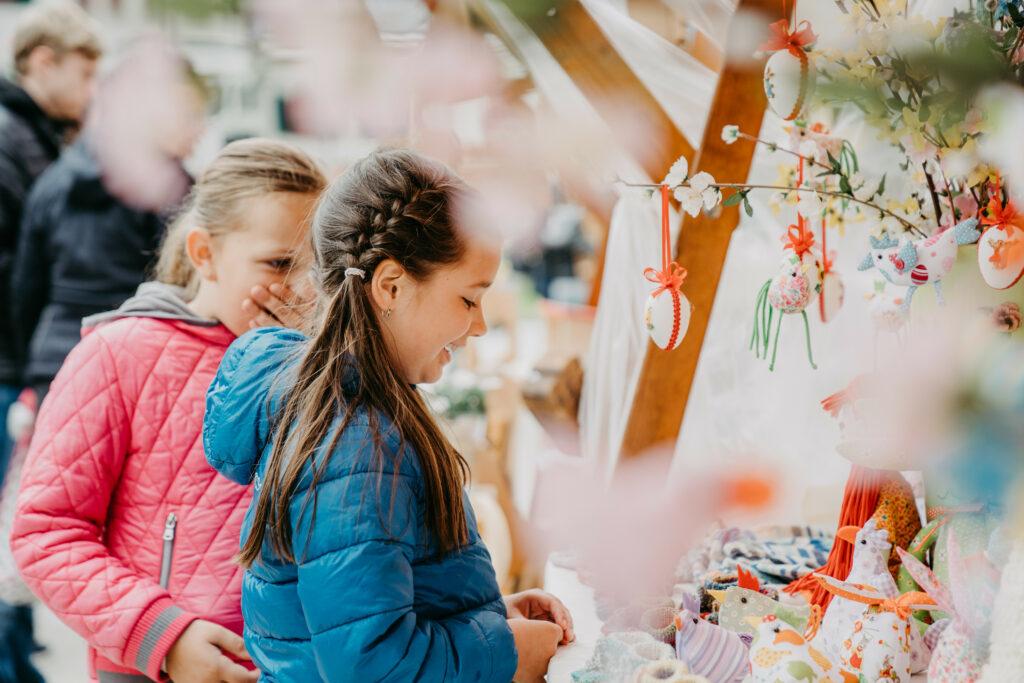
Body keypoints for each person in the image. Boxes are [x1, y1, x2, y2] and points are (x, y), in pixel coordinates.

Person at [203, 148, 574, 682]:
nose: (480, 327)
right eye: (469, 300)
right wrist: (504, 651)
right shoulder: (355, 445)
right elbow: (371, 666)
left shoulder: (355, 414)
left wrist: (489, 619)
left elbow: (372, 610)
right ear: (391, 286)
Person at [11, 138, 326, 683]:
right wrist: (160, 633)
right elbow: (45, 530)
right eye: (279, 263)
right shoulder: (119, 353)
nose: (302, 288)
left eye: (317, 266)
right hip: (155, 667)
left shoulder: (326, 364)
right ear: (204, 253)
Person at [9, 48, 206, 404]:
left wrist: (32, 359)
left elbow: (25, 291)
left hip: (54, 359)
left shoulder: (53, 181)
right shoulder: (165, 188)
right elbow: (186, 285)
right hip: (133, 361)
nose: (199, 129)